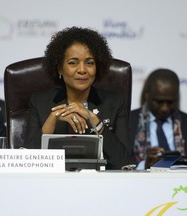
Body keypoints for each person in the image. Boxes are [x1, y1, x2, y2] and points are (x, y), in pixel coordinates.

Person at [25, 26, 129, 169]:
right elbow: (27, 163)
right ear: (60, 68)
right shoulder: (40, 101)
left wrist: (97, 124)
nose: (82, 70)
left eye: (89, 63)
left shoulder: (115, 102)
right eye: (73, 62)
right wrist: (52, 120)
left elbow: (125, 162)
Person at [129, 68, 187, 169]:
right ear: (147, 94)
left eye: (171, 102)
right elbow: (117, 164)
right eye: (159, 101)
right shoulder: (126, 122)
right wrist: (144, 165)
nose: (165, 108)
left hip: (184, 184)